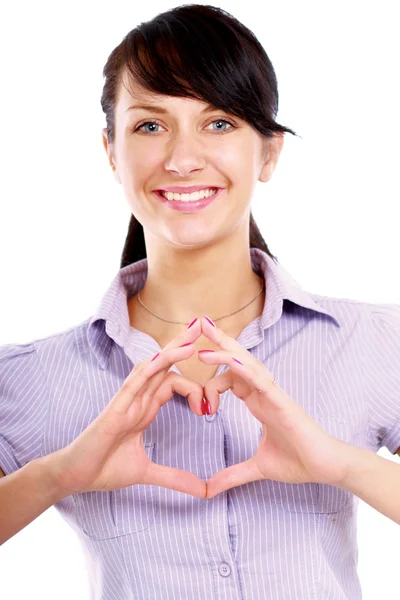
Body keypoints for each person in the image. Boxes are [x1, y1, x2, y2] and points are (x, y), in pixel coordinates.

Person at [0, 3, 399, 599]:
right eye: (150, 125)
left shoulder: (373, 341)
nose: (182, 159)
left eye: (218, 123)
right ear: (111, 151)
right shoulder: (31, 378)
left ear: (269, 152)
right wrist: (57, 475)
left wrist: (342, 465)